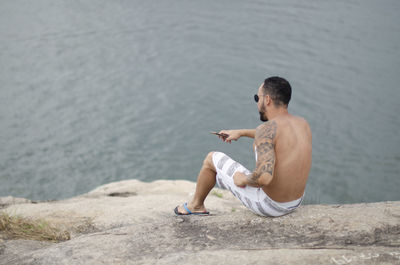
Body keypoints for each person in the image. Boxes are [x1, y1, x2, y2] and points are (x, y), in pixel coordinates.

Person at [174, 76, 312, 217]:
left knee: (211, 159)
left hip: (271, 206)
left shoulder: (265, 130)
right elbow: (278, 136)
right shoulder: (302, 124)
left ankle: (195, 205)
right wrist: (241, 132)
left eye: (257, 98)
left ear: (267, 100)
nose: (257, 103)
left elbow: (264, 178)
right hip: (295, 202)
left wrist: (243, 179)